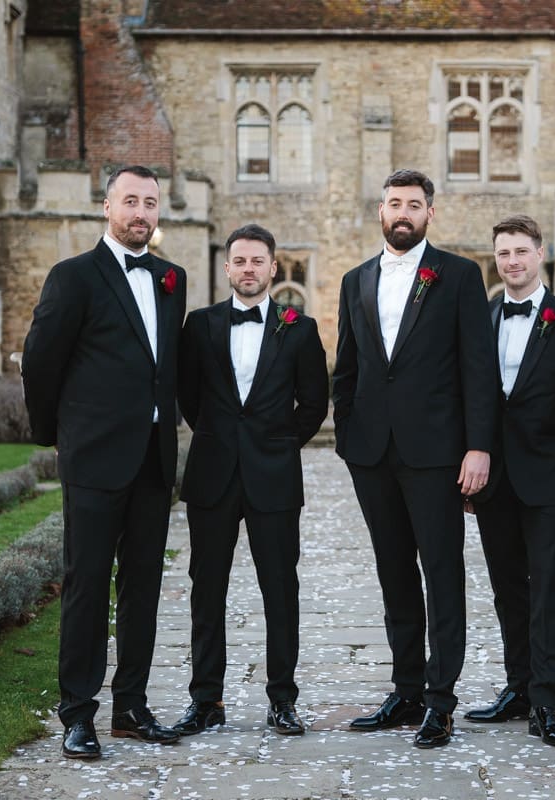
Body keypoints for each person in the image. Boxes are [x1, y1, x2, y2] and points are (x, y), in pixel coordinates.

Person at [22, 165, 187, 759]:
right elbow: (40, 362)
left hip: (151, 459)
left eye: (150, 202)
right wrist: (57, 436)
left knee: (143, 586)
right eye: (130, 201)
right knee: (88, 584)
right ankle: (78, 713)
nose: (141, 212)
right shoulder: (73, 277)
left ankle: (132, 707)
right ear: (107, 207)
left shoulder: (173, 278)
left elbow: (163, 367)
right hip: (93, 459)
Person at [332, 169, 498, 749]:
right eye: (395, 203)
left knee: (442, 574)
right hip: (372, 453)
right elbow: (346, 369)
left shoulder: (458, 276)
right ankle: (404, 691)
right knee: (393, 571)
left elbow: (479, 368)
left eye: (415, 205)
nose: (404, 213)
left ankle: (440, 700)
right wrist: (349, 438)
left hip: (436, 454)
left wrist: (479, 447)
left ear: (431, 213)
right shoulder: (356, 280)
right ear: (381, 211)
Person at [171, 224, 328, 737]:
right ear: (227, 268)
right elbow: (187, 397)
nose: (248, 269)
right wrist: (221, 438)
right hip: (213, 476)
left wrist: (278, 444)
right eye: (239, 261)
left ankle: (282, 699)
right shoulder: (198, 326)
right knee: (206, 588)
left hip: (274, 477)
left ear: (273, 267)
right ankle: (206, 699)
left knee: (280, 589)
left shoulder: (299, 329)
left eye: (257, 261)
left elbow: (315, 403)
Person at [464, 215, 555, 748]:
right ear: (495, 258)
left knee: (546, 590)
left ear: (540, 253)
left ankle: (547, 701)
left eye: (521, 251)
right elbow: (472, 400)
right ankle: (518, 687)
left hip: (549, 482)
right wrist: (472, 476)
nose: (512, 261)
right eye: (503, 253)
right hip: (494, 481)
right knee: (505, 591)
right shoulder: (483, 315)